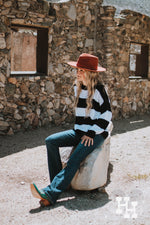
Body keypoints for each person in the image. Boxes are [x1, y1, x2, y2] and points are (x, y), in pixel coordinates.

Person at [30, 53, 112, 207]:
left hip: (96, 134)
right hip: (79, 131)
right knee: (51, 141)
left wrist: (91, 133)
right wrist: (82, 132)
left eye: (81, 70)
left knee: (74, 159)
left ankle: (51, 193)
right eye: (77, 70)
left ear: (90, 73)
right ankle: (57, 183)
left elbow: (107, 115)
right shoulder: (77, 88)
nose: (77, 73)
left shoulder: (100, 90)